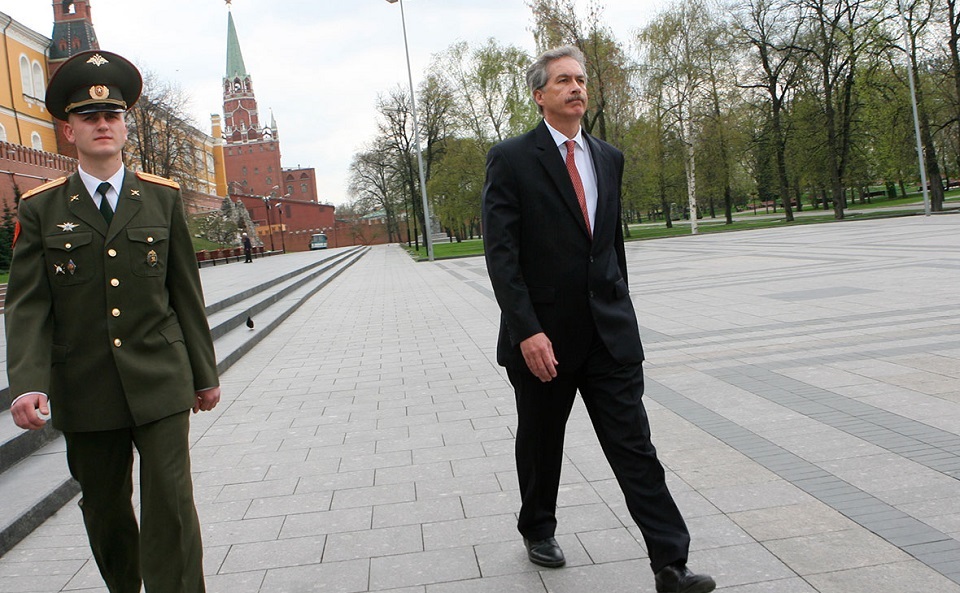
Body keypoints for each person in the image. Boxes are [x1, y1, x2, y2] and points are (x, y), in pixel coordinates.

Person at [481, 46, 715, 593]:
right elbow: (501, 255)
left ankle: (671, 564)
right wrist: (527, 330)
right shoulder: (511, 158)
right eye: (563, 80)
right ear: (539, 95)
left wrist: (622, 310)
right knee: (541, 442)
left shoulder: (609, 157)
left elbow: (609, 246)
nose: (576, 88)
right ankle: (538, 527)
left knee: (635, 447)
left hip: (608, 337)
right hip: (544, 340)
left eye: (581, 80)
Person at [5, 50, 220, 593]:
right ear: (69, 130)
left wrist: (204, 373)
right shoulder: (42, 208)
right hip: (85, 385)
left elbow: (185, 292)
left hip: (160, 376)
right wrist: (28, 382)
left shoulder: (162, 199)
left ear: (125, 126)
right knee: (104, 509)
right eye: (89, 117)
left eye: (112, 116)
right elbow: (28, 303)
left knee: (171, 502)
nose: (102, 124)